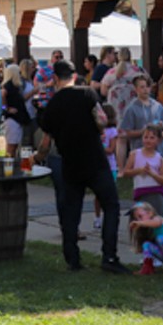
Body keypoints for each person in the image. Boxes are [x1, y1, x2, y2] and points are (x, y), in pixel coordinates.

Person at [39, 60, 128, 274]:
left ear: (55, 79)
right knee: (111, 204)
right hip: (95, 159)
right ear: (75, 76)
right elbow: (102, 120)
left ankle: (73, 259)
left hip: (70, 161)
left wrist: (37, 157)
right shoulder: (88, 94)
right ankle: (109, 255)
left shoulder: (52, 105)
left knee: (71, 211)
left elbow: (46, 138)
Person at [118, 75, 163, 164]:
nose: (145, 89)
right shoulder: (131, 109)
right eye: (142, 87)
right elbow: (125, 132)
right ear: (136, 89)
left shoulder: (159, 107)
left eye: (147, 86)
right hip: (140, 156)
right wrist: (142, 131)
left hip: (159, 155)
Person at [122, 124, 163, 218]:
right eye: (146, 137)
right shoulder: (135, 154)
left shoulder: (160, 158)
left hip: (157, 194)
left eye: (152, 138)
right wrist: (140, 170)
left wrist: (152, 174)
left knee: (157, 219)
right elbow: (126, 172)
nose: (148, 140)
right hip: (141, 193)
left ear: (158, 140)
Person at [101, 47, 145, 117]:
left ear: (118, 57)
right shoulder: (138, 71)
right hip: (134, 109)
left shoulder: (111, 72)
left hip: (115, 110)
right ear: (130, 56)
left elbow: (103, 91)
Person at [1, 64, 31, 153]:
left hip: (17, 118)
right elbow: (2, 96)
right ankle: (8, 165)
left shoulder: (16, 86)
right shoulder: (8, 86)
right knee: (11, 146)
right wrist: (6, 108)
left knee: (15, 145)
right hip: (12, 119)